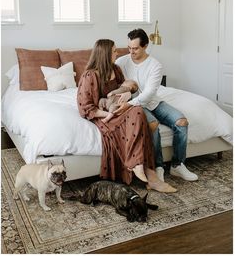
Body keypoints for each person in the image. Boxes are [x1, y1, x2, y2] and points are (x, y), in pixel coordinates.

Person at [77, 39, 177, 193]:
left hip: (117, 109)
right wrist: (110, 113)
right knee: (136, 115)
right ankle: (146, 172)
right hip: (103, 114)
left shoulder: (116, 69)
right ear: (105, 54)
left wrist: (125, 94)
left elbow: (126, 89)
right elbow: (86, 108)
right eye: (114, 51)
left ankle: (140, 167)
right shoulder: (89, 76)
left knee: (137, 111)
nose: (117, 53)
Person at [116, 29, 198, 182]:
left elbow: (148, 94)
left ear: (145, 46)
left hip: (152, 101)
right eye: (129, 48)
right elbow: (113, 82)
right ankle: (158, 166)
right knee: (153, 125)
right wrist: (125, 93)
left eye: (135, 48)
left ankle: (177, 165)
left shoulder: (155, 65)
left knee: (182, 122)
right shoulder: (121, 62)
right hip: (136, 106)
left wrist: (129, 103)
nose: (131, 52)